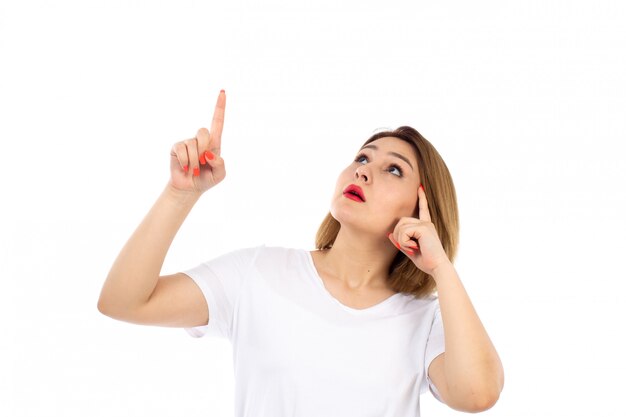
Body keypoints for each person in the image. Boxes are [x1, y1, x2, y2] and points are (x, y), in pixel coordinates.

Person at [97, 90, 504, 416]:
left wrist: (441, 269)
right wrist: (179, 194)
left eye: (393, 169)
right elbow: (123, 302)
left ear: (422, 208)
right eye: (362, 158)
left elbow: (478, 395)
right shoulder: (259, 273)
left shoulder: (426, 319)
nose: (362, 170)